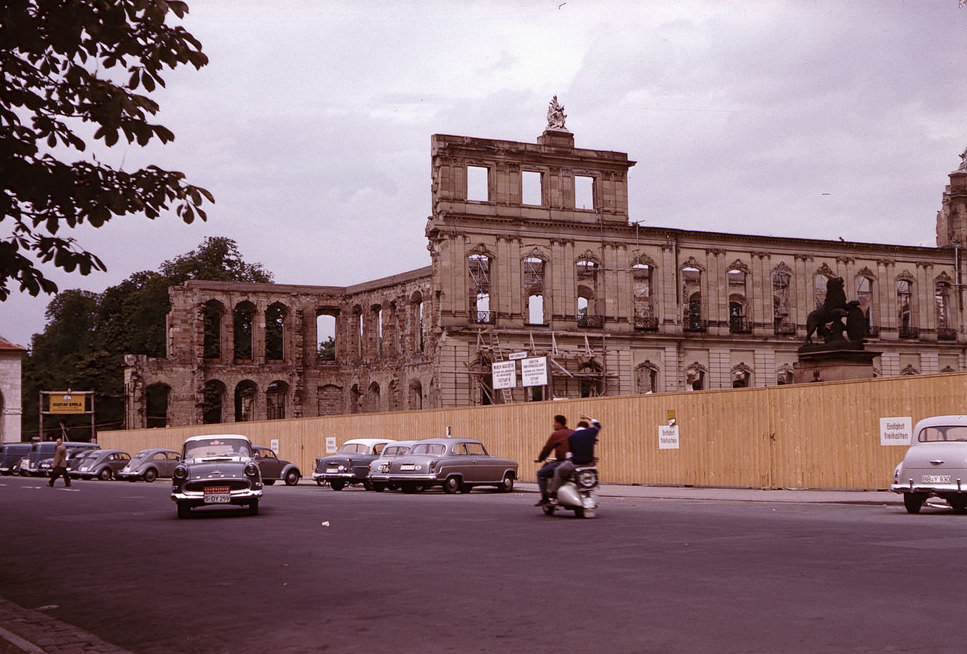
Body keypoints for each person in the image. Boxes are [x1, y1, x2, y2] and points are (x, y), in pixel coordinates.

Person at [548, 414, 601, 502]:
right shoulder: (591, 432)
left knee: (558, 471)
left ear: (577, 427)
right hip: (589, 463)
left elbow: (571, 452)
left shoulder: (571, 437)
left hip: (576, 464)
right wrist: (588, 418)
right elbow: (598, 424)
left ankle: (553, 494)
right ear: (587, 427)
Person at [534, 414, 573, 506]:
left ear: (559, 424)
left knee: (541, 473)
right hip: (575, 462)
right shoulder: (573, 432)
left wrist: (540, 459)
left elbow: (547, 449)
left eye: (554, 423)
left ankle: (545, 498)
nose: (553, 425)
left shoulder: (557, 434)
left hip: (562, 462)